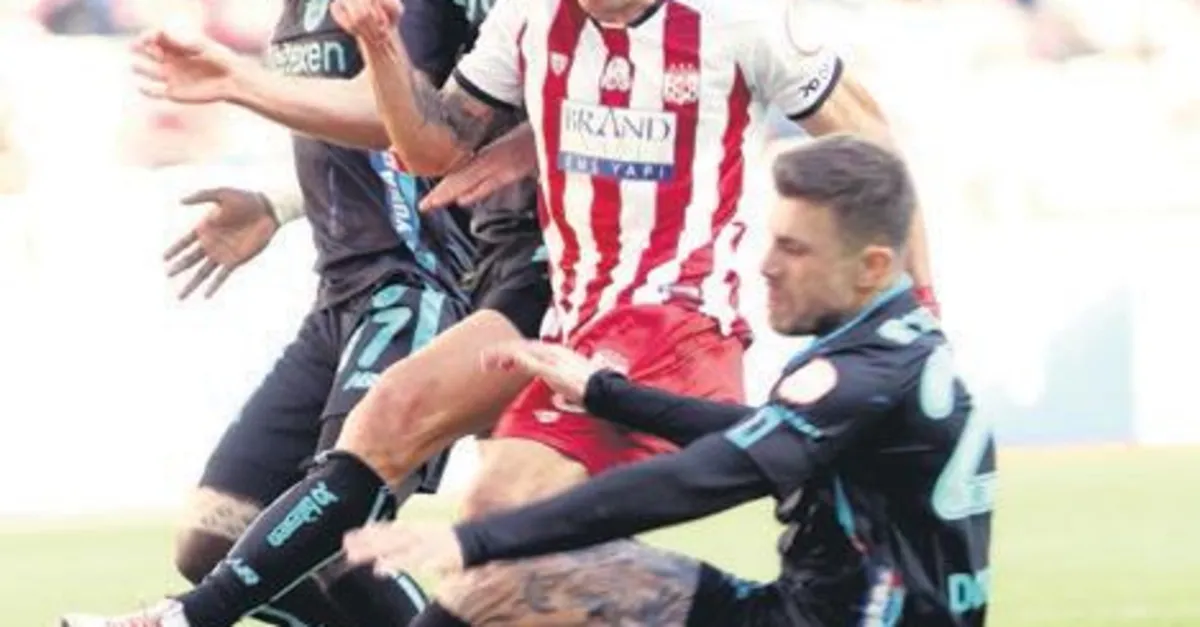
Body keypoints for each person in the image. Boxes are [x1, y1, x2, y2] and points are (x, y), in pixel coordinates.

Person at [65, 0, 944, 622]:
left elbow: (872, 146)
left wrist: (920, 315)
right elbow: (433, 143)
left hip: (672, 321)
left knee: (491, 533)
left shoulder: (738, 20)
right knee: (391, 421)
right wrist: (379, 48)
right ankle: (188, 617)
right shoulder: (530, 16)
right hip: (565, 312)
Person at [347, 135, 995, 626]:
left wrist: (470, 538)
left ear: (872, 266)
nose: (766, 266)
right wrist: (605, 392)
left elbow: (701, 477)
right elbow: (761, 433)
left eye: (795, 249)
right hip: (799, 610)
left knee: (496, 577)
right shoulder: (895, 347)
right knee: (508, 582)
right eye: (773, 240)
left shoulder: (858, 375)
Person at [61, 0, 546, 626]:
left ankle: (177, 620)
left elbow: (404, 118)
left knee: (346, 512)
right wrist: (280, 201)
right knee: (215, 535)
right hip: (341, 285)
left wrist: (238, 80)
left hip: (422, 281)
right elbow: (365, 132)